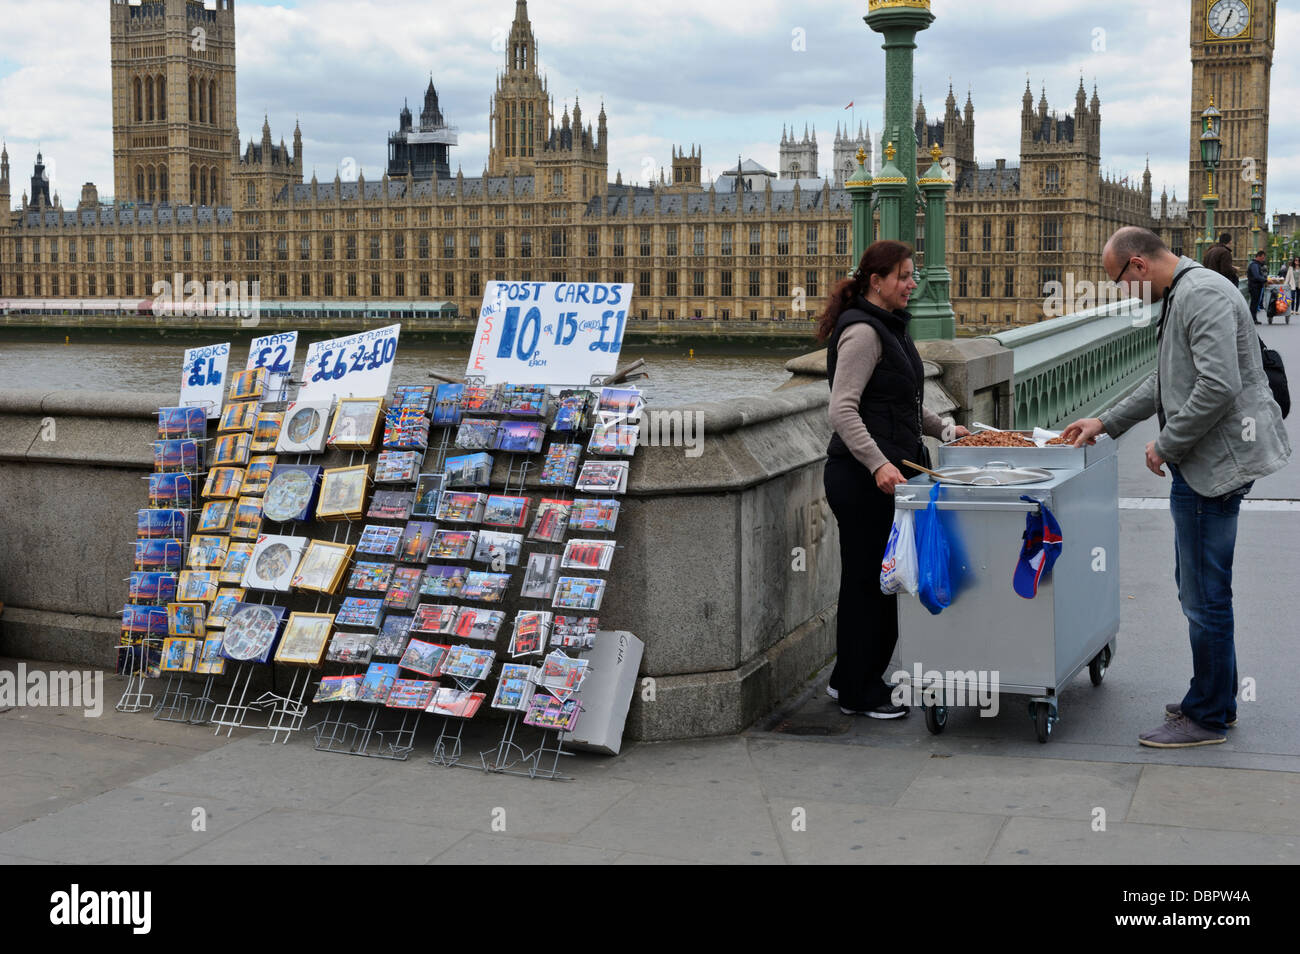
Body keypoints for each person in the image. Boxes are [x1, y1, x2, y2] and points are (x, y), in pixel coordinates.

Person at [1063, 227, 1290, 748]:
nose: (1122, 293)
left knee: (1203, 594)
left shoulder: (1201, 293)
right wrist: (1106, 421)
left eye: (1119, 281)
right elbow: (1165, 381)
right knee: (1203, 587)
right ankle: (1218, 698)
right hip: (1207, 461)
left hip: (1213, 466)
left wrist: (1166, 443)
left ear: (1139, 266)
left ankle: (1206, 715)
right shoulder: (1188, 290)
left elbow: (1218, 385)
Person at [818, 240, 970, 718]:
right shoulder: (864, 332)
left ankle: (848, 679)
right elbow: (842, 408)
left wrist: (944, 427)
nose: (912, 283)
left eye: (913, 275)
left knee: (869, 581)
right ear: (876, 281)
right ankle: (861, 691)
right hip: (864, 479)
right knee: (872, 584)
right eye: (904, 276)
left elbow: (900, 401)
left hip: (886, 474)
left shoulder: (890, 327)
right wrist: (878, 462)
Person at [1247, 249, 1269, 323]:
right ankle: (1252, 320)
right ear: (1258, 257)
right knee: (1254, 304)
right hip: (1254, 287)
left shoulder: (1255, 264)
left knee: (1255, 304)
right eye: (1263, 258)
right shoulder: (1254, 265)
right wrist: (1266, 280)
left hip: (1256, 287)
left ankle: (1254, 319)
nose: (1263, 259)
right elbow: (1256, 276)